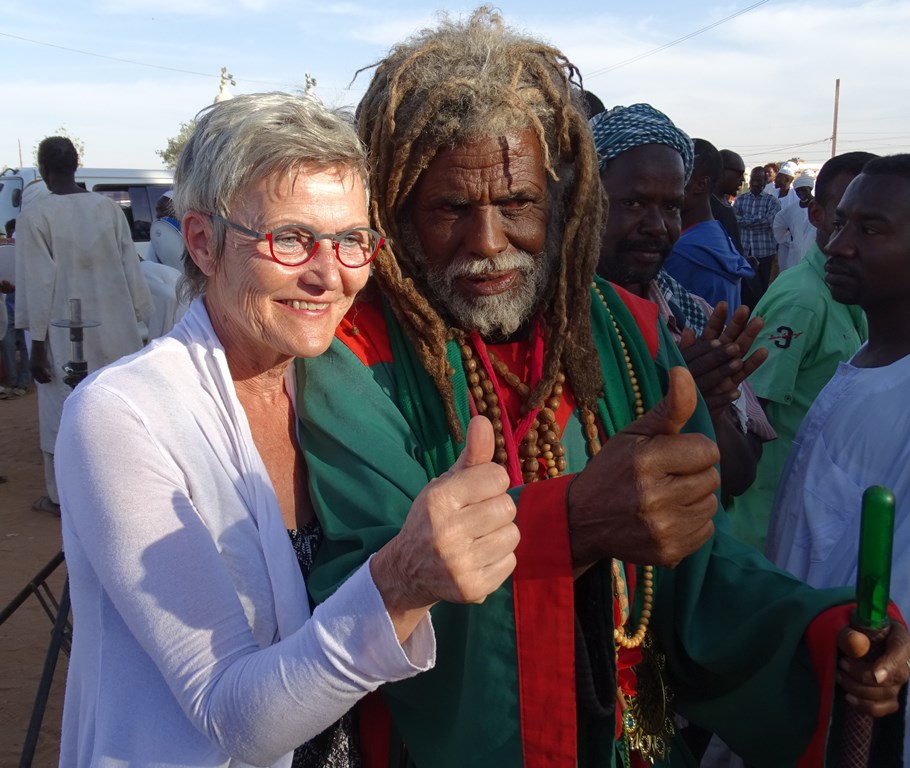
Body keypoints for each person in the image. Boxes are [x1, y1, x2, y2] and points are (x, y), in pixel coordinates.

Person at [298, 10, 910, 767]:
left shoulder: (629, 331)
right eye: (451, 207)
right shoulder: (351, 356)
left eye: (516, 204)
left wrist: (826, 635)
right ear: (397, 207)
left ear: (561, 201)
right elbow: (367, 586)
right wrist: (575, 522)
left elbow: (701, 569)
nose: (488, 243)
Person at [54, 92, 520, 767]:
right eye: (292, 237)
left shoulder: (342, 389)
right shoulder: (123, 416)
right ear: (203, 243)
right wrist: (399, 583)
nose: (329, 275)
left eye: (353, 240)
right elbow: (228, 714)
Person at [767, 153, 910, 766]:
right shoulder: (865, 364)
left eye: (872, 230)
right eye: (840, 223)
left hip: (859, 715)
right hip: (799, 685)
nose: (838, 246)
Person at [590, 105, 772, 506]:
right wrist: (666, 405)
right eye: (633, 204)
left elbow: (738, 477)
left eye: (671, 207)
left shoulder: (693, 317)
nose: (657, 225)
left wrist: (710, 410)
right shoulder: (545, 326)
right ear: (584, 203)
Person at [726, 152, 875, 553]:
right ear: (817, 215)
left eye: (873, 223)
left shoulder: (847, 296)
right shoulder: (803, 301)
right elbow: (751, 416)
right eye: (845, 219)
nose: (855, 238)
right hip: (771, 522)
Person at [14, 136, 153, 515]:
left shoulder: (35, 217)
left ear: (43, 171)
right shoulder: (107, 210)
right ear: (77, 165)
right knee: (115, 402)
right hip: (115, 327)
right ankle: (124, 482)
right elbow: (131, 269)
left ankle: (64, 496)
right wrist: (139, 323)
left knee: (62, 409)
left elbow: (37, 283)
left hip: (61, 331)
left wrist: (37, 345)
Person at [662, 138, 755, 311]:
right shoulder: (716, 237)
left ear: (700, 184)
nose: (664, 185)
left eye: (676, 176)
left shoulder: (681, 252)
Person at [735, 165, 781, 292]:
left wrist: (745, 221)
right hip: (745, 251)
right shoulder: (741, 199)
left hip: (764, 253)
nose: (755, 183)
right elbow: (735, 220)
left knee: (763, 289)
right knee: (745, 289)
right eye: (753, 180)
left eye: (758, 180)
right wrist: (757, 219)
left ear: (765, 182)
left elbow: (768, 222)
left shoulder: (772, 201)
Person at [773, 171, 816, 270]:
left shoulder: (821, 207)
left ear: (810, 189)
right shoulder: (791, 209)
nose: (801, 193)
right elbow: (778, 224)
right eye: (798, 191)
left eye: (804, 190)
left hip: (814, 254)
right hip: (795, 255)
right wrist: (789, 239)